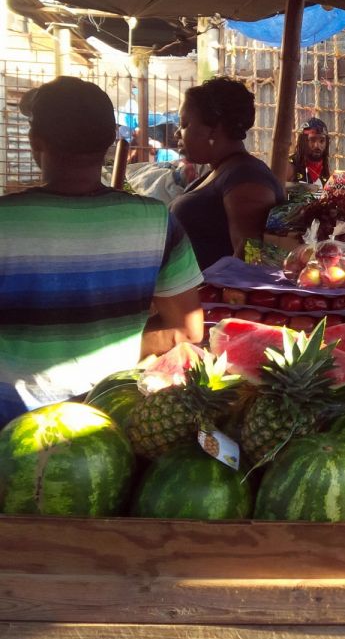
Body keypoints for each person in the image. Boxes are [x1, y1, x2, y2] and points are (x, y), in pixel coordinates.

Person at [0, 76, 204, 418]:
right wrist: (111, 345)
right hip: (113, 421)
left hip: (10, 431)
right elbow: (187, 330)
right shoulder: (157, 222)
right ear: (112, 141)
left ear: (35, 141)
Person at [170, 78, 286, 271]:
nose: (177, 134)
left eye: (185, 124)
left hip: (213, 300)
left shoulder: (246, 178)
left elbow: (251, 259)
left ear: (214, 129)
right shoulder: (223, 170)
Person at [289, 117, 332, 185]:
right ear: (303, 141)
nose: (317, 146)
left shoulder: (324, 168)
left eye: (322, 141)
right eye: (312, 140)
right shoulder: (290, 166)